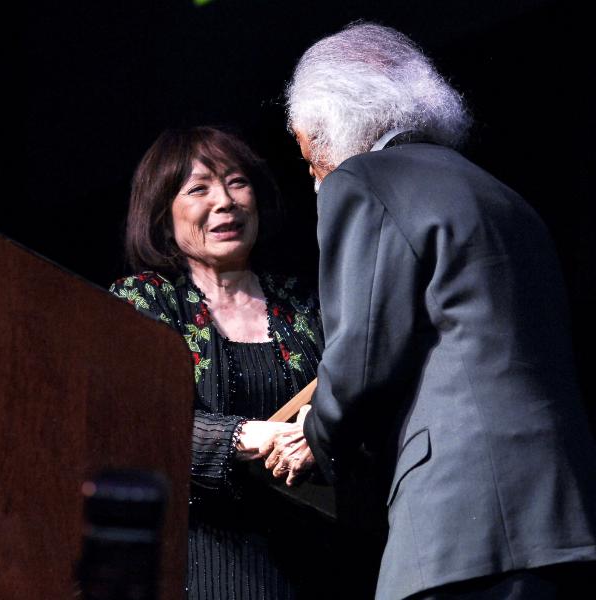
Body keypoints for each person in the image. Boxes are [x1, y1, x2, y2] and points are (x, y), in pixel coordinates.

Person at [263, 22, 596, 599]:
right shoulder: (506, 196)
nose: (313, 174)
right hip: (564, 516)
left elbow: (364, 353)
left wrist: (314, 436)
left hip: (465, 528)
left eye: (306, 149)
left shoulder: (363, 179)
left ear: (331, 125)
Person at [110, 126, 336, 600]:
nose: (226, 201)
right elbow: (133, 429)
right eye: (198, 188)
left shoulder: (305, 304)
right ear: (162, 212)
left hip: (321, 556)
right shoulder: (143, 302)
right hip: (200, 564)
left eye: (237, 182)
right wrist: (246, 435)